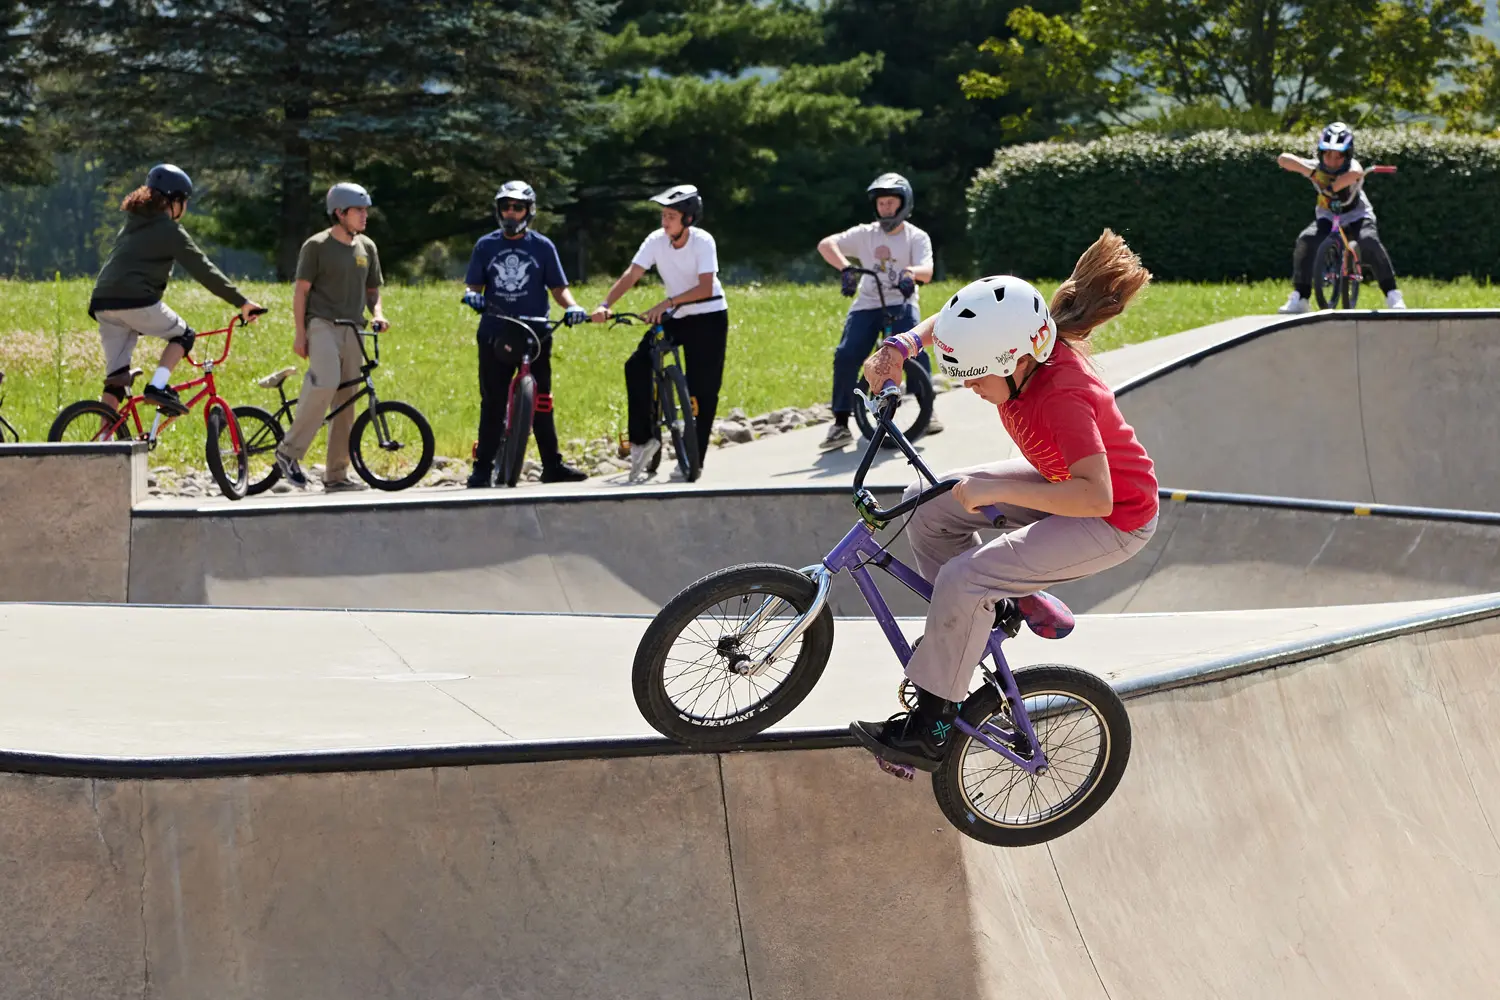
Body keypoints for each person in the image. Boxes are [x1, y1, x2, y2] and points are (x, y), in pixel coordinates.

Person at [849, 229, 1160, 773]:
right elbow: (949, 325)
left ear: (1018, 361)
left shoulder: (1064, 395)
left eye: (976, 376)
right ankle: (1012, 600)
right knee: (927, 500)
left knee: (966, 579)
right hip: (1060, 485)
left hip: (1113, 518)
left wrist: (994, 490)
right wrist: (901, 347)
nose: (969, 387)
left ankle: (931, 729)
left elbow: (1096, 495)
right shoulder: (1019, 343)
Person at [87, 164, 263, 415]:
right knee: (184, 335)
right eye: (184, 201)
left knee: (117, 378)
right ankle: (157, 386)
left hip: (103, 303)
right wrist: (242, 302)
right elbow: (204, 269)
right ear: (173, 201)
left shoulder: (131, 224)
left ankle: (103, 439)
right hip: (136, 300)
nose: (185, 208)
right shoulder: (169, 230)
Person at [591, 184, 729, 484]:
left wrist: (667, 302)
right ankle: (643, 439)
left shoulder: (703, 242)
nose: (664, 221)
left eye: (671, 216)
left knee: (702, 391)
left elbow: (706, 287)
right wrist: (604, 305)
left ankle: (694, 458)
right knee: (637, 364)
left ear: (688, 219)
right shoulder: (656, 240)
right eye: (663, 215)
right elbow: (632, 274)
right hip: (677, 316)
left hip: (709, 317)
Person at [462, 180, 590, 487]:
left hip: (536, 331)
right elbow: (473, 285)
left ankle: (552, 465)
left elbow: (559, 289)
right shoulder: (485, 245)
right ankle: (482, 468)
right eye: (505, 207)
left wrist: (573, 307)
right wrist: (472, 296)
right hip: (496, 329)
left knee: (542, 400)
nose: (511, 212)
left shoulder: (543, 247)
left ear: (528, 212)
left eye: (517, 207)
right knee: (492, 401)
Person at [273, 182, 389, 492]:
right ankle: (288, 452)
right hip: (322, 323)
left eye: (366, 210)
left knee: (347, 401)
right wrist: (300, 334)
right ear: (339, 213)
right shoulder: (317, 246)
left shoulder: (368, 247)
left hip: (355, 328)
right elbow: (301, 292)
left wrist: (377, 314)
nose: (365, 216)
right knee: (325, 380)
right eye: (358, 211)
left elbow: (372, 291)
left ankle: (336, 475)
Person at [815, 172, 942, 452]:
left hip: (901, 302)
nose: (885, 208)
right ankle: (839, 423)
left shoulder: (916, 237)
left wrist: (910, 274)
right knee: (847, 354)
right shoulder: (865, 233)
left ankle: (926, 410)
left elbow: (928, 271)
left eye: (890, 203)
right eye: (881, 203)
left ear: (904, 203)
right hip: (868, 302)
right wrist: (845, 268)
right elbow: (826, 245)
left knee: (915, 351)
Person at [1276, 121, 1405, 313]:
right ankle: (1300, 296)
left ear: (1347, 156)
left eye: (1339, 156)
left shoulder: (1352, 167)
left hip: (1357, 216)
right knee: (1306, 240)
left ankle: (1392, 294)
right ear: (1320, 154)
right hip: (1328, 218)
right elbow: (1283, 159)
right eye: (1328, 155)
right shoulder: (1316, 168)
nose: (1333, 161)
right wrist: (1310, 172)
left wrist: (1331, 187)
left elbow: (1356, 173)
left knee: (1369, 241)